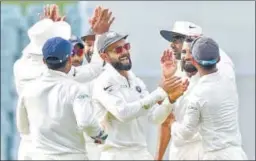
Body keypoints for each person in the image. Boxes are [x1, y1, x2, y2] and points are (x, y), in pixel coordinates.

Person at [14, 4, 115, 160]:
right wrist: (100, 35)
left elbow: (22, 126)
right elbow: (94, 69)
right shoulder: (71, 83)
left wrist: (48, 29)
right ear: (68, 59)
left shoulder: (21, 67)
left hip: (34, 152)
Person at [91, 31, 189, 160]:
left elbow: (155, 118)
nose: (125, 52)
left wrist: (170, 99)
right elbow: (123, 113)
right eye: (118, 49)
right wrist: (160, 92)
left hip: (141, 152)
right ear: (105, 56)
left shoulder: (135, 81)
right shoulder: (103, 82)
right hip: (116, 154)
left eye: (126, 47)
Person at [155, 21, 236, 160]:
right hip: (179, 149)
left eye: (177, 39)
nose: (171, 45)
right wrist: (158, 157)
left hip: (205, 148)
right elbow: (164, 115)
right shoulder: (175, 66)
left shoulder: (218, 65)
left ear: (194, 42)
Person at [170, 36, 247, 160]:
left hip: (214, 156)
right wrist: (202, 41)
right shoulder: (229, 80)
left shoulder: (197, 94)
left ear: (194, 62)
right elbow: (221, 57)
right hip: (237, 154)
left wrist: (173, 125)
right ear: (218, 59)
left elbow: (187, 132)